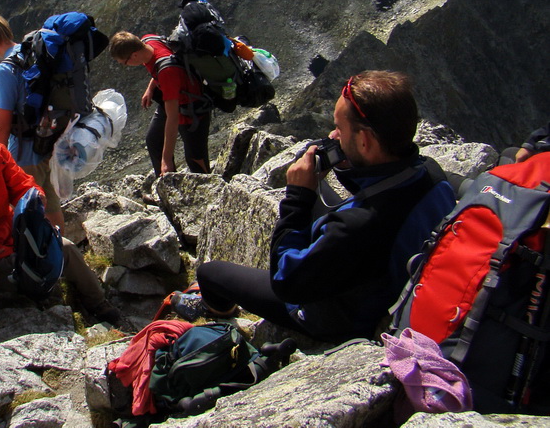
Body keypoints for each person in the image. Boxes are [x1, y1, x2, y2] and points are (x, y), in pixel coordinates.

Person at [173, 71, 457, 343]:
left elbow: (286, 281)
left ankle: (215, 310)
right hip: (390, 278)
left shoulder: (356, 226)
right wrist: (350, 166)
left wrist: (297, 197)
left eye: (339, 128)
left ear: (364, 141)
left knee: (210, 273)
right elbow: (381, 197)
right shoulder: (429, 172)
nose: (333, 136)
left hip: (341, 318)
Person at [0, 107, 122, 326]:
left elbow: (22, 184)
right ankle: (50, 301)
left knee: (66, 249)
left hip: (15, 237)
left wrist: (36, 197)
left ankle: (98, 303)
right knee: (33, 270)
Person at [0, 11, 66, 232]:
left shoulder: (5, 69)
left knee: (25, 212)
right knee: (50, 205)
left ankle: (37, 260)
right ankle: (62, 252)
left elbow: (3, 124)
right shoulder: (34, 52)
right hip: (50, 143)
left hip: (24, 152)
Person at [108, 30, 210, 176]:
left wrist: (166, 159)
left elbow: (173, 118)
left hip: (193, 109)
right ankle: (168, 188)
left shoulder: (167, 72)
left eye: (124, 62)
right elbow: (161, 64)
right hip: (173, 96)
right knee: (154, 140)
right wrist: (151, 88)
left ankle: (211, 189)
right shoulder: (148, 41)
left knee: (195, 159)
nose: (125, 65)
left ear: (134, 55)